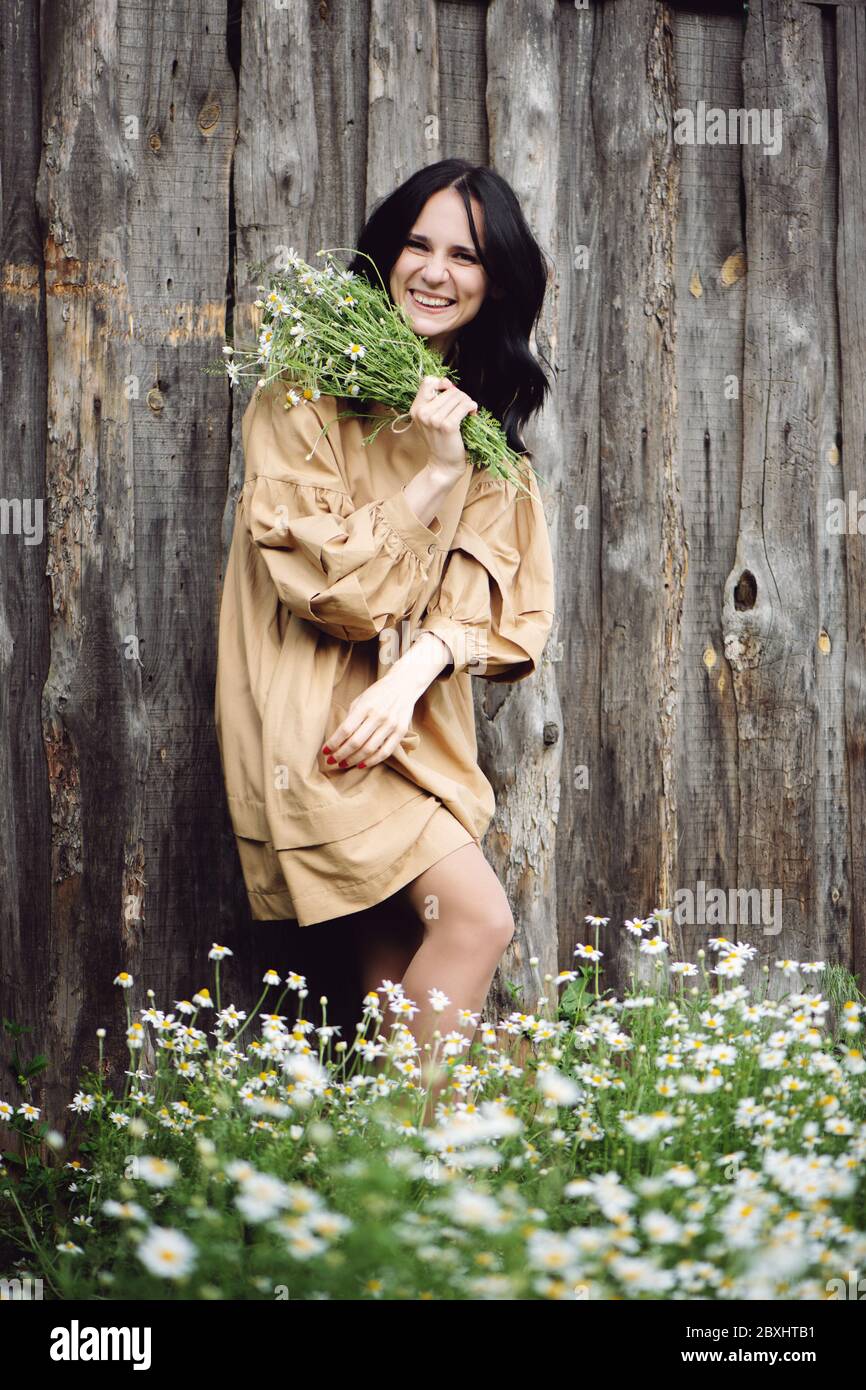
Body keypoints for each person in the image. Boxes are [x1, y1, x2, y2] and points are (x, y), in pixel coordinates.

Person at [215, 158, 555, 1110]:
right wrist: (430, 480)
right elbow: (332, 588)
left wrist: (406, 684)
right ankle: (392, 1168)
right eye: (418, 244)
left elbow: (505, 604)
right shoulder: (303, 390)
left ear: (497, 281)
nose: (436, 272)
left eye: (466, 255)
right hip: (315, 728)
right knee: (478, 923)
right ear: (385, 252)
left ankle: (398, 1208)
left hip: (409, 727)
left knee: (399, 982)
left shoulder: (482, 424)